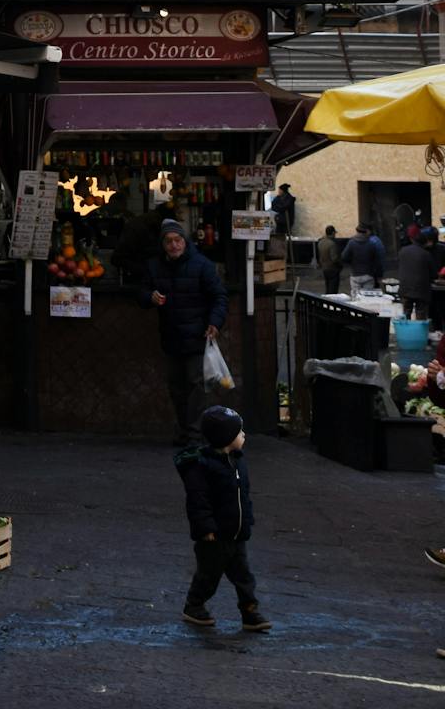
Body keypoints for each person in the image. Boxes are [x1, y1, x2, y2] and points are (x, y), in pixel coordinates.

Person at [177, 405, 270, 632]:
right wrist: (205, 528)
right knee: (208, 575)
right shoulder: (203, 467)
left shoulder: (237, 461)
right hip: (215, 536)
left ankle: (249, 611)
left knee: (244, 576)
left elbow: (242, 495)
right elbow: (198, 500)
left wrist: (247, 520)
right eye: (239, 432)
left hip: (236, 534)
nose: (243, 435)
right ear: (226, 438)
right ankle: (194, 605)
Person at [141, 218, 229, 443]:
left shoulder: (202, 265)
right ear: (163, 244)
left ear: (185, 241)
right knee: (177, 387)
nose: (174, 245)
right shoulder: (154, 266)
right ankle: (185, 429)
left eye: (178, 240)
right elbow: (141, 292)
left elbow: (219, 296)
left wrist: (215, 323)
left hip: (198, 335)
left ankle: (194, 432)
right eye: (169, 241)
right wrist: (149, 297)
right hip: (171, 335)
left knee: (195, 384)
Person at [399, 226, 438, 320]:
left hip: (405, 289)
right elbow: (434, 274)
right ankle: (419, 328)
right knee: (421, 314)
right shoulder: (426, 254)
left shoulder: (403, 251)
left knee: (406, 313)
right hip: (421, 291)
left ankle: (405, 328)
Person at [339, 222, 385, 286]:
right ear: (366, 232)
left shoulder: (351, 243)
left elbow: (344, 257)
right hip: (368, 274)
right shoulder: (371, 244)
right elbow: (377, 260)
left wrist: (351, 262)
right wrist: (379, 274)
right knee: (368, 292)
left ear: (357, 231)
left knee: (355, 292)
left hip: (355, 274)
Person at [315, 223, 342, 296]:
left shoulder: (321, 242)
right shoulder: (332, 244)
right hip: (333, 269)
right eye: (334, 233)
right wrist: (340, 265)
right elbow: (334, 258)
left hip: (324, 268)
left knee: (327, 287)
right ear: (332, 233)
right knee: (333, 290)